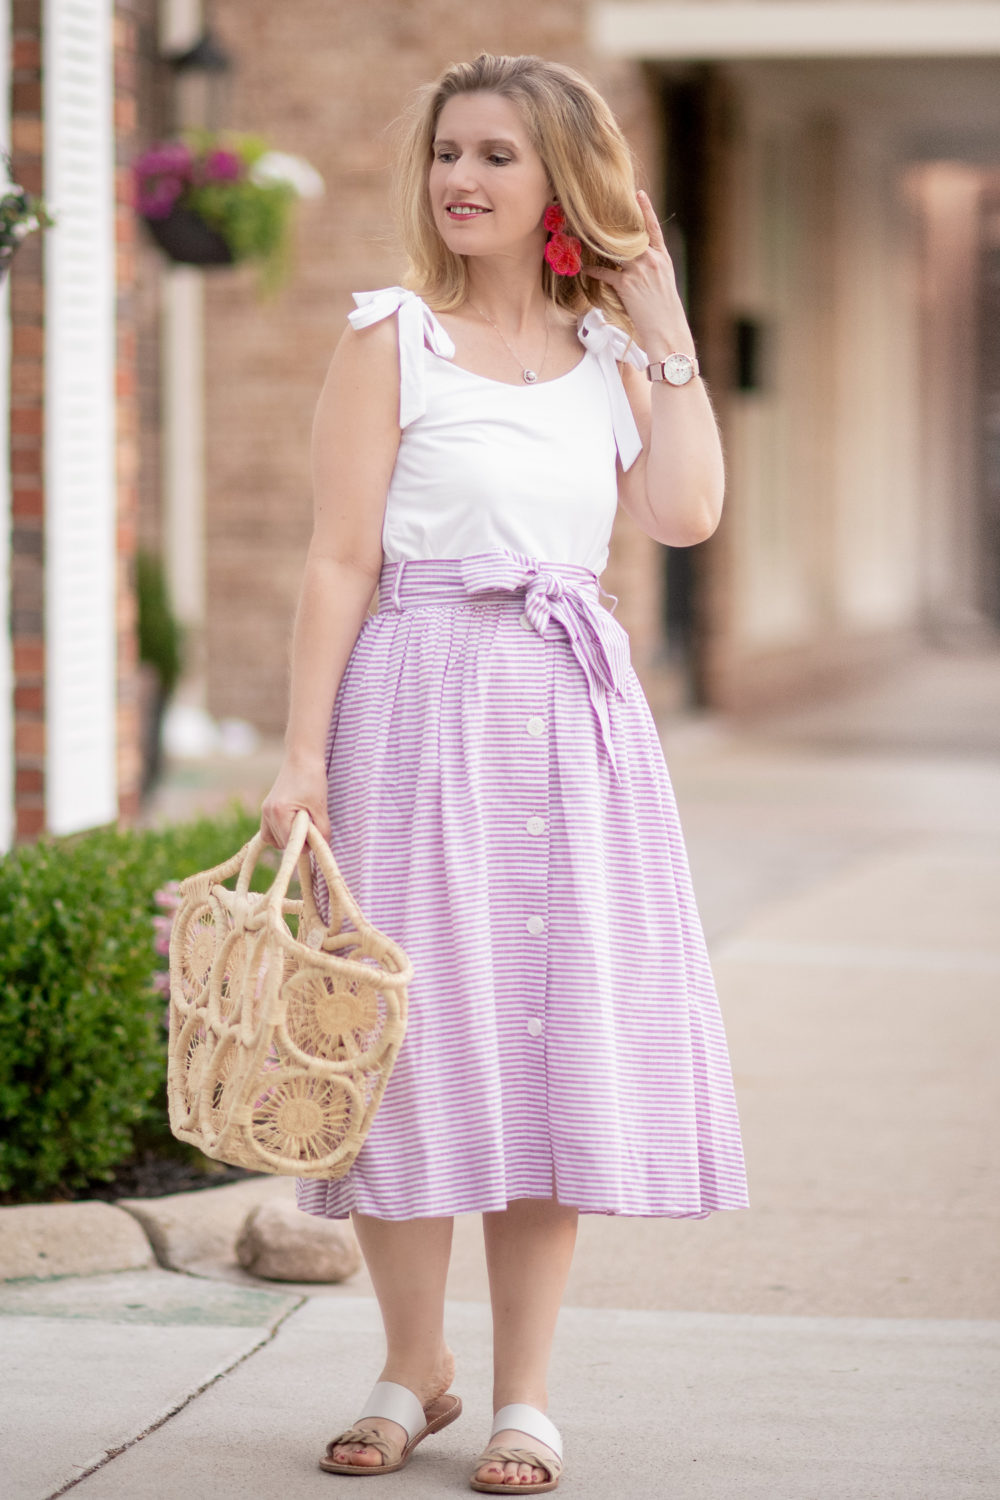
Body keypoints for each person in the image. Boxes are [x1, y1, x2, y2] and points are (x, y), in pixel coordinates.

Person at [260, 50, 748, 1495]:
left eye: (495, 156)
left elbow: (684, 512)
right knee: (400, 1050)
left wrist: (662, 328)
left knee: (544, 1053)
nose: (460, 180)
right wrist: (302, 757)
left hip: (570, 723)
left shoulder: (610, 364)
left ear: (560, 185)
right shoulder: (390, 337)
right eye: (446, 153)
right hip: (411, 706)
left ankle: (526, 1396)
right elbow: (339, 558)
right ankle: (412, 1370)